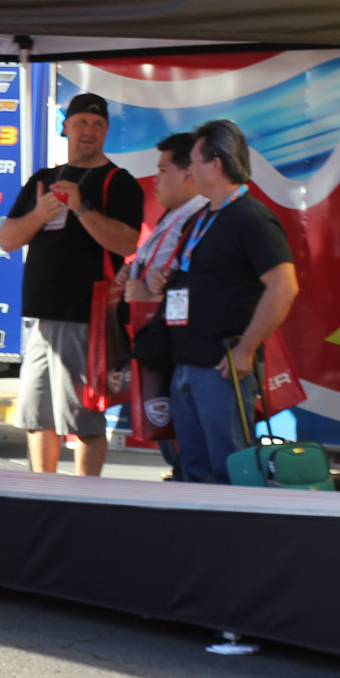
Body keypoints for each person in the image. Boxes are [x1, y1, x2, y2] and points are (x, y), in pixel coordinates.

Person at [0, 92, 146, 476]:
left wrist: (81, 207)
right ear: (65, 126)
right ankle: (42, 493)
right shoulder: (43, 180)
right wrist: (40, 213)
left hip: (86, 316)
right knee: (36, 416)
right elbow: (8, 239)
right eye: (82, 122)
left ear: (107, 132)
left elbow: (128, 243)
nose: (89, 131)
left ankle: (84, 498)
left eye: (98, 125)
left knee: (82, 420)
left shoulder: (119, 182)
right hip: (40, 319)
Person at [147, 119, 298, 485]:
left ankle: (239, 542)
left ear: (215, 164)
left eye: (195, 162)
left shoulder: (251, 218)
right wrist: (163, 280)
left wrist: (246, 349)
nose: (191, 171)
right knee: (195, 473)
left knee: (230, 472)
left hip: (222, 367)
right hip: (185, 362)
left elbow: (284, 286)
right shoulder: (201, 218)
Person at [123, 132, 209, 475]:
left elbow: (191, 290)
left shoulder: (198, 220)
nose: (156, 180)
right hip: (161, 348)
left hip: (180, 351)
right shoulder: (172, 217)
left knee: (193, 457)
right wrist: (132, 274)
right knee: (179, 455)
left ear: (189, 174)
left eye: (163, 170)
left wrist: (148, 293)